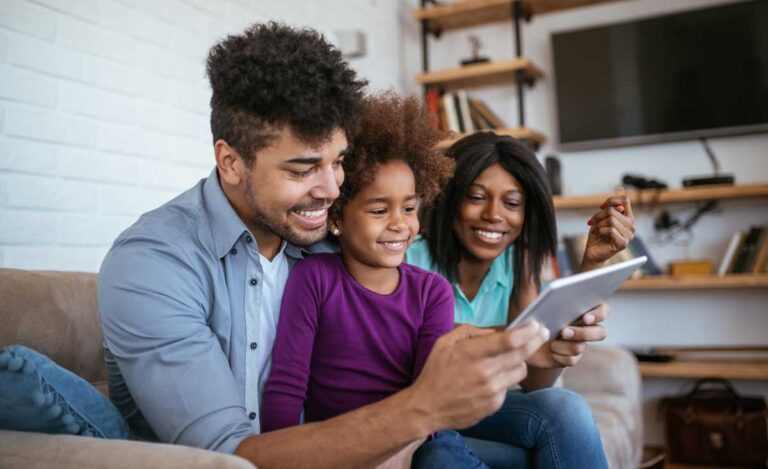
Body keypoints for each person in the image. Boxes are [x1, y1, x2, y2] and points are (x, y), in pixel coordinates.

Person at [98, 23, 549, 467]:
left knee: (556, 418)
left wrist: (531, 339)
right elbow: (225, 457)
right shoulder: (153, 264)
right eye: (302, 170)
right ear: (230, 162)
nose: (333, 189)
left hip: (374, 441)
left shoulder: (323, 240)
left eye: (338, 162)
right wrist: (421, 408)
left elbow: (399, 319)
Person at [261, 93, 506, 467]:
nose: (400, 224)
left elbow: (431, 395)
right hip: (338, 446)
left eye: (409, 208)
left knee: (443, 455)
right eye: (379, 210)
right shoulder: (313, 278)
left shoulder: (431, 292)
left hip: (420, 440)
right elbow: (287, 384)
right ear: (337, 219)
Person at [407, 132, 637, 467]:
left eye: (512, 203)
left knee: (565, 408)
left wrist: (592, 265)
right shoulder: (410, 260)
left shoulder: (520, 263)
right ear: (449, 198)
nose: (493, 215)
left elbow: (533, 383)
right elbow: (406, 345)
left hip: (489, 409)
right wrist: (517, 340)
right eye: (475, 197)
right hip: (423, 408)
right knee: (444, 454)